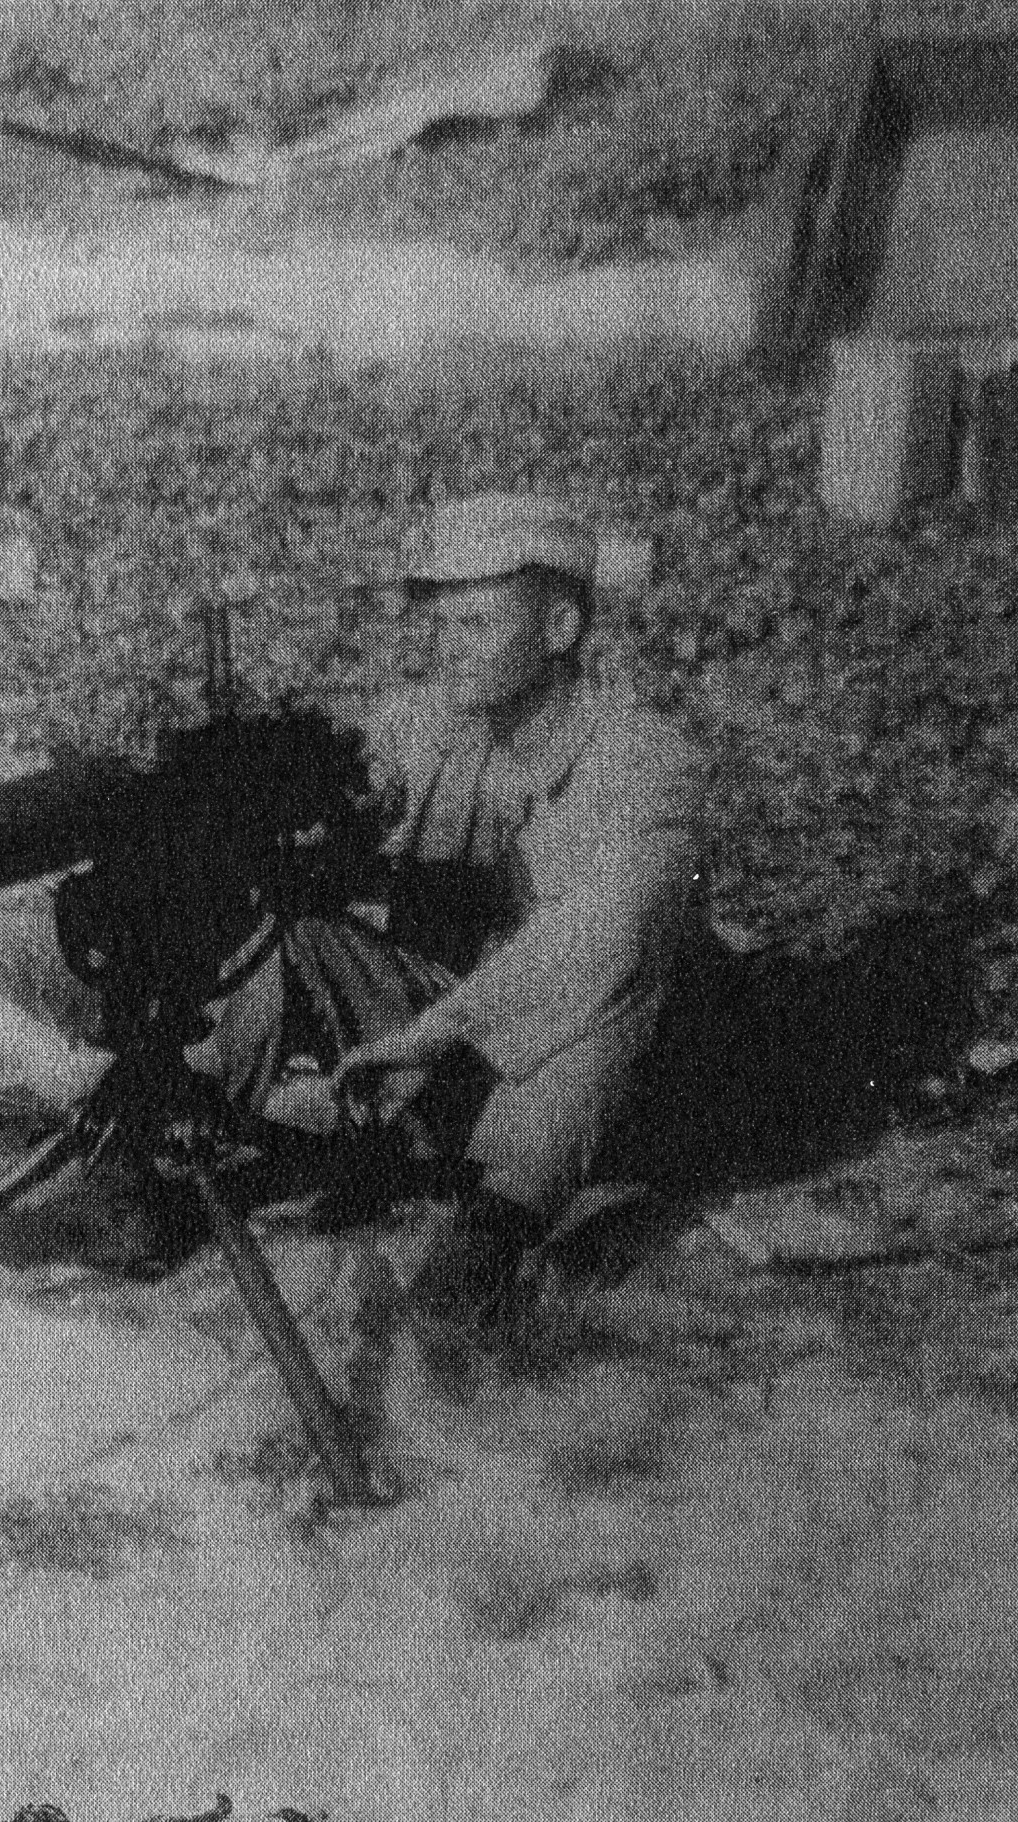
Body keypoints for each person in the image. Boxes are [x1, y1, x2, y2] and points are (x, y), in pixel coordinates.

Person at [205, 492, 707, 1322]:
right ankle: (203, 1140)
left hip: (622, 1073)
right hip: (462, 1041)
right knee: (285, 925)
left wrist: (432, 1035)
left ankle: (490, 1237)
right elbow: (370, 786)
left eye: (473, 627)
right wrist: (302, 819)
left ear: (559, 630)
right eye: (437, 627)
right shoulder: (431, 721)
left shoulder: (648, 766)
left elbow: (594, 950)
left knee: (606, 986)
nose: (447, 652)